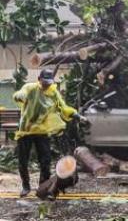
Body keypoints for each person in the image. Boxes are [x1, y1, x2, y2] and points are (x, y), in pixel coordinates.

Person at [13, 69, 85, 198]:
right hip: (26, 130)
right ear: (39, 79)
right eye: (44, 82)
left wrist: (77, 115)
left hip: (42, 131)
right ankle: (25, 186)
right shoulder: (30, 88)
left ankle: (43, 186)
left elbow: (63, 107)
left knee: (45, 160)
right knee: (23, 160)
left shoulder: (53, 92)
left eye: (49, 82)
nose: (46, 84)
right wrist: (20, 96)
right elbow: (20, 93)